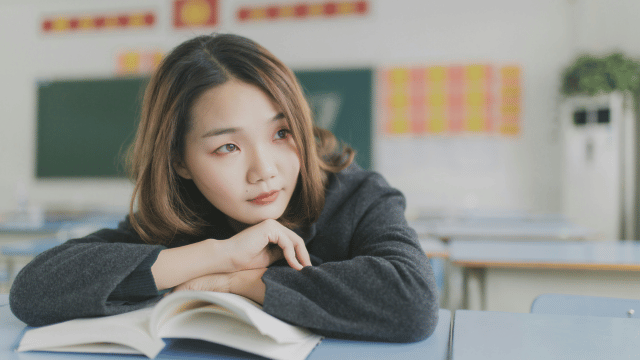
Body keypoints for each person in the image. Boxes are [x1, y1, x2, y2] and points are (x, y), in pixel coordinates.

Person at [10, 33, 438, 342]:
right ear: (180, 160)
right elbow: (34, 290)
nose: (264, 171)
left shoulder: (356, 196)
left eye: (281, 133)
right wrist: (218, 255)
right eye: (228, 146)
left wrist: (236, 284)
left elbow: (412, 302)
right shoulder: (184, 216)